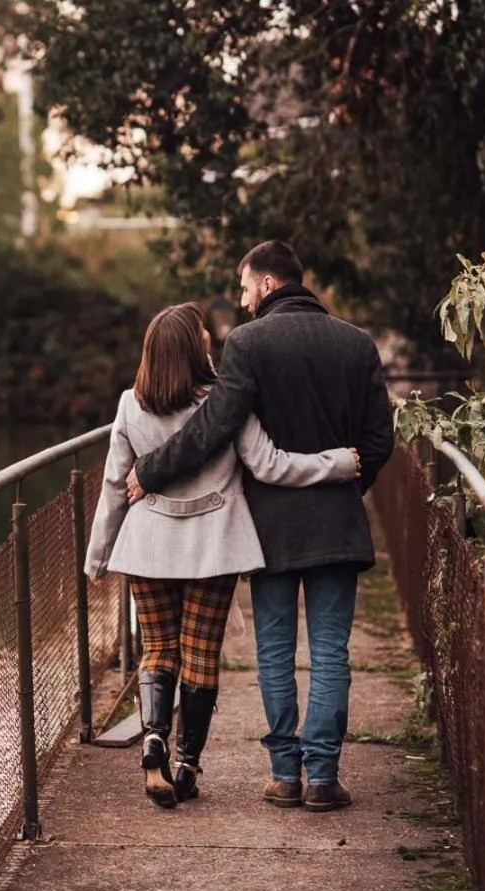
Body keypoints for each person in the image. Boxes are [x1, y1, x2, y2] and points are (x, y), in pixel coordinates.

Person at [126, 241, 394, 812]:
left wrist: (148, 471)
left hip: (269, 528)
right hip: (340, 525)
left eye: (246, 288)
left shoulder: (247, 344)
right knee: (329, 652)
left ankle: (284, 776)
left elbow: (214, 428)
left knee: (274, 651)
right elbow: (378, 442)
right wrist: (345, 490)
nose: (244, 302)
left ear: (269, 284)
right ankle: (322, 777)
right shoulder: (357, 342)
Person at [85, 302, 360, 809]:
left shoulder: (130, 404)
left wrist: (97, 558)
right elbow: (270, 466)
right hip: (212, 547)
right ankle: (187, 764)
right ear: (194, 347)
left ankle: (153, 740)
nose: (210, 336)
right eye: (202, 332)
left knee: (158, 650)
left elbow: (112, 486)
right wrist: (338, 463)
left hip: (147, 545)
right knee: (200, 657)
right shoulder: (226, 403)